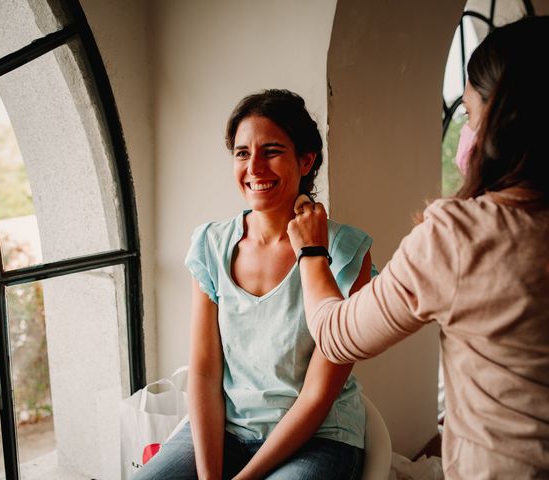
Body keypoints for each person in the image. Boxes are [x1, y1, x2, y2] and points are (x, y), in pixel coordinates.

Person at [287, 16, 549, 479]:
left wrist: (312, 253)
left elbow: (334, 334)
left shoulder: (461, 237)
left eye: (468, 114)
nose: (464, 133)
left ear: (503, 121)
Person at [136, 90, 373, 479]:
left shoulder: (348, 252)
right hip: (230, 430)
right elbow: (206, 372)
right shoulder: (211, 245)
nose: (255, 167)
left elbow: (317, 395)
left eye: (272, 151)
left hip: (319, 437)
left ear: (306, 160)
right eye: (243, 153)